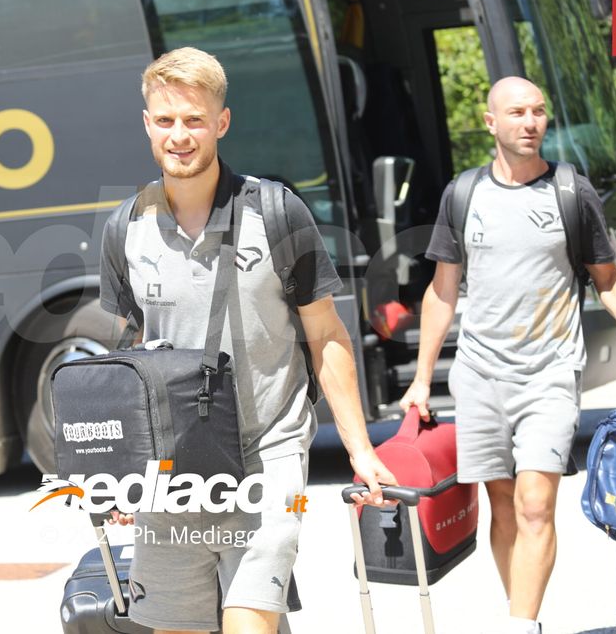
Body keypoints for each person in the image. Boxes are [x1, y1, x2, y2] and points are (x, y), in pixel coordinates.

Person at [99, 46, 395, 634]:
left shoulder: (277, 212)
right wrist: (120, 468)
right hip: (172, 470)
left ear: (222, 122)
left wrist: (361, 450)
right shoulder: (125, 228)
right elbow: (130, 357)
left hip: (269, 454)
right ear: (147, 124)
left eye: (194, 120)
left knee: (248, 622)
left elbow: (326, 335)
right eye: (166, 120)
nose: (179, 136)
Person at [399, 77, 616, 634]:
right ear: (490, 122)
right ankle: (520, 612)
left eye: (538, 111)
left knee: (536, 502)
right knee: (503, 505)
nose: (530, 121)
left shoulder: (570, 191)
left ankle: (521, 625)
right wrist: (422, 379)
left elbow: (607, 277)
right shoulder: (463, 194)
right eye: (516, 112)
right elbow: (443, 290)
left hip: (550, 373)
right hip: (478, 375)